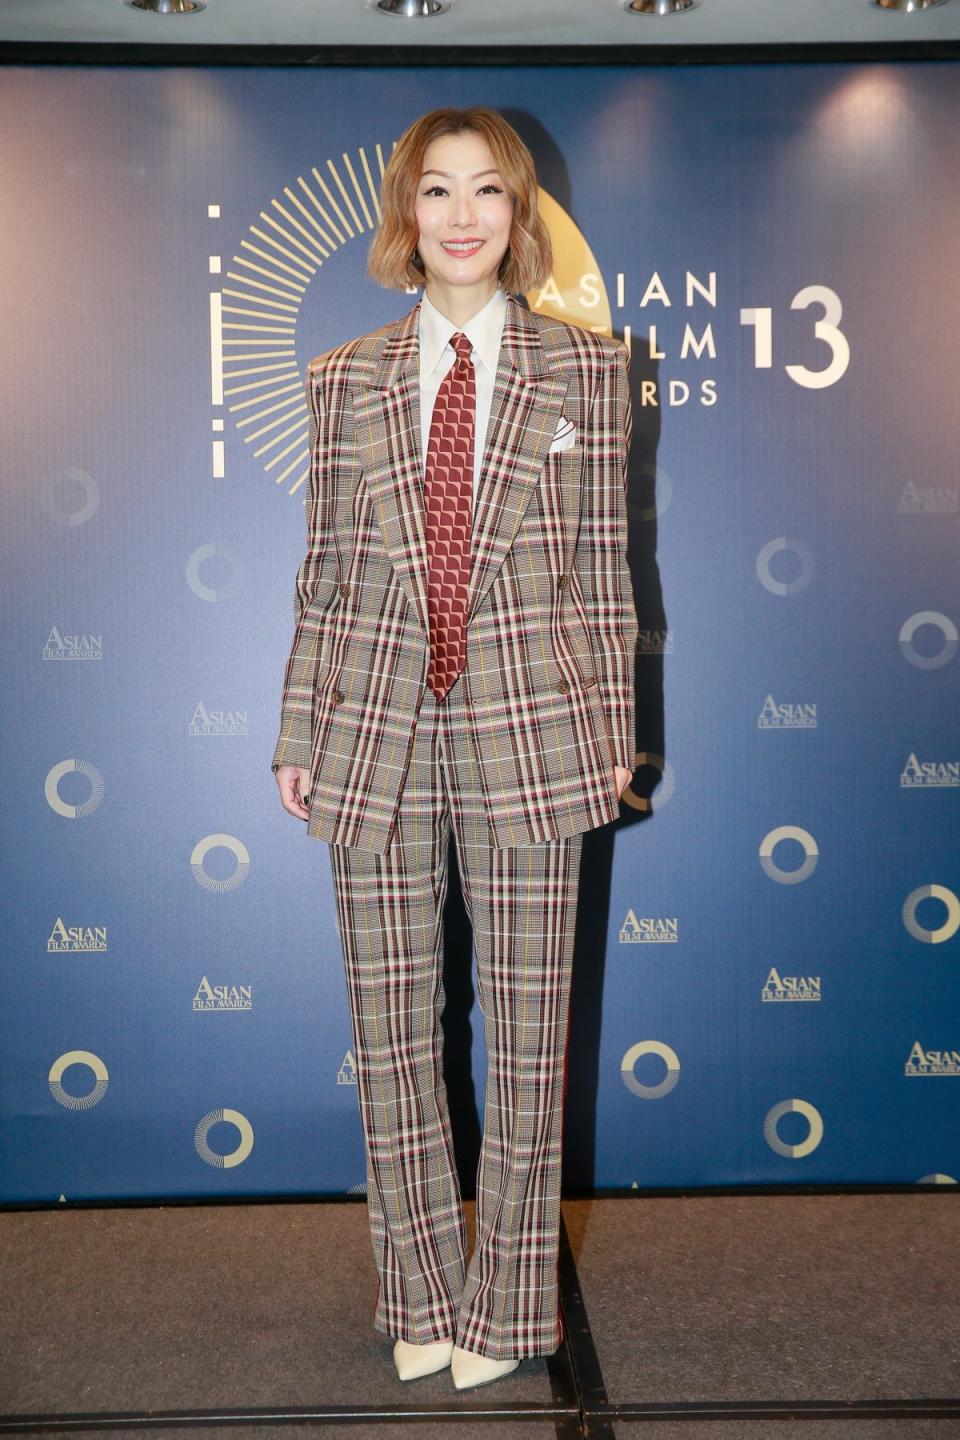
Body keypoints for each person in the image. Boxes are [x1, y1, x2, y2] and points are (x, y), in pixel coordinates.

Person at [273, 105, 637, 1391]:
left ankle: (508, 1309)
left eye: (491, 190)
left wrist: (609, 738)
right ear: (406, 215)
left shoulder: (589, 374)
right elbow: (322, 569)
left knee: (531, 1039)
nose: (466, 215)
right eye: (440, 191)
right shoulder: (341, 379)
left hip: (534, 730)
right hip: (372, 729)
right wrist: (298, 725)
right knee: (389, 1033)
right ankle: (420, 1288)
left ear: (519, 214)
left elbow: (604, 576)